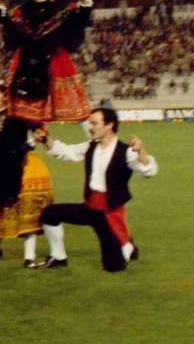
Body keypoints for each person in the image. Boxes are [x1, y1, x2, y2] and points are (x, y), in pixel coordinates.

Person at [0, 0, 92, 209]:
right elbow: (4, 19)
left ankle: (9, 187)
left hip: (46, 72)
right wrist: (0, 1)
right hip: (24, 72)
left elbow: (80, 16)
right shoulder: (21, 10)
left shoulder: (61, 10)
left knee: (19, 133)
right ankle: (7, 191)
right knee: (8, 136)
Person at [34, 108, 158, 272]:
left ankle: (127, 244)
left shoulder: (126, 151)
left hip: (108, 214)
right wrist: (45, 139)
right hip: (89, 208)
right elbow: (65, 152)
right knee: (49, 214)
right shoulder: (90, 146)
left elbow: (149, 171)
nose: (90, 127)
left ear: (109, 126)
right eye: (90, 123)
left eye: (94, 123)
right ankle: (58, 257)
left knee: (114, 267)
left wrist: (141, 150)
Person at [0, 84, 52, 267]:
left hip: (23, 162)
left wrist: (31, 141)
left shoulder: (19, 115)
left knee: (25, 206)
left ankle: (29, 256)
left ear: (5, 97)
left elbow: (39, 131)